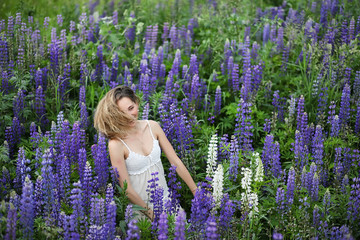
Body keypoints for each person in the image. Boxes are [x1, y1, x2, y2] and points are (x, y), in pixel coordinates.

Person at [94, 85, 197, 220]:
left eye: (131, 108)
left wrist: (196, 191)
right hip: (140, 211)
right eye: (121, 113)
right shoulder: (116, 144)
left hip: (167, 202)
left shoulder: (152, 126)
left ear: (136, 102)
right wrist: (154, 217)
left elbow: (175, 161)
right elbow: (127, 189)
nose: (129, 116)